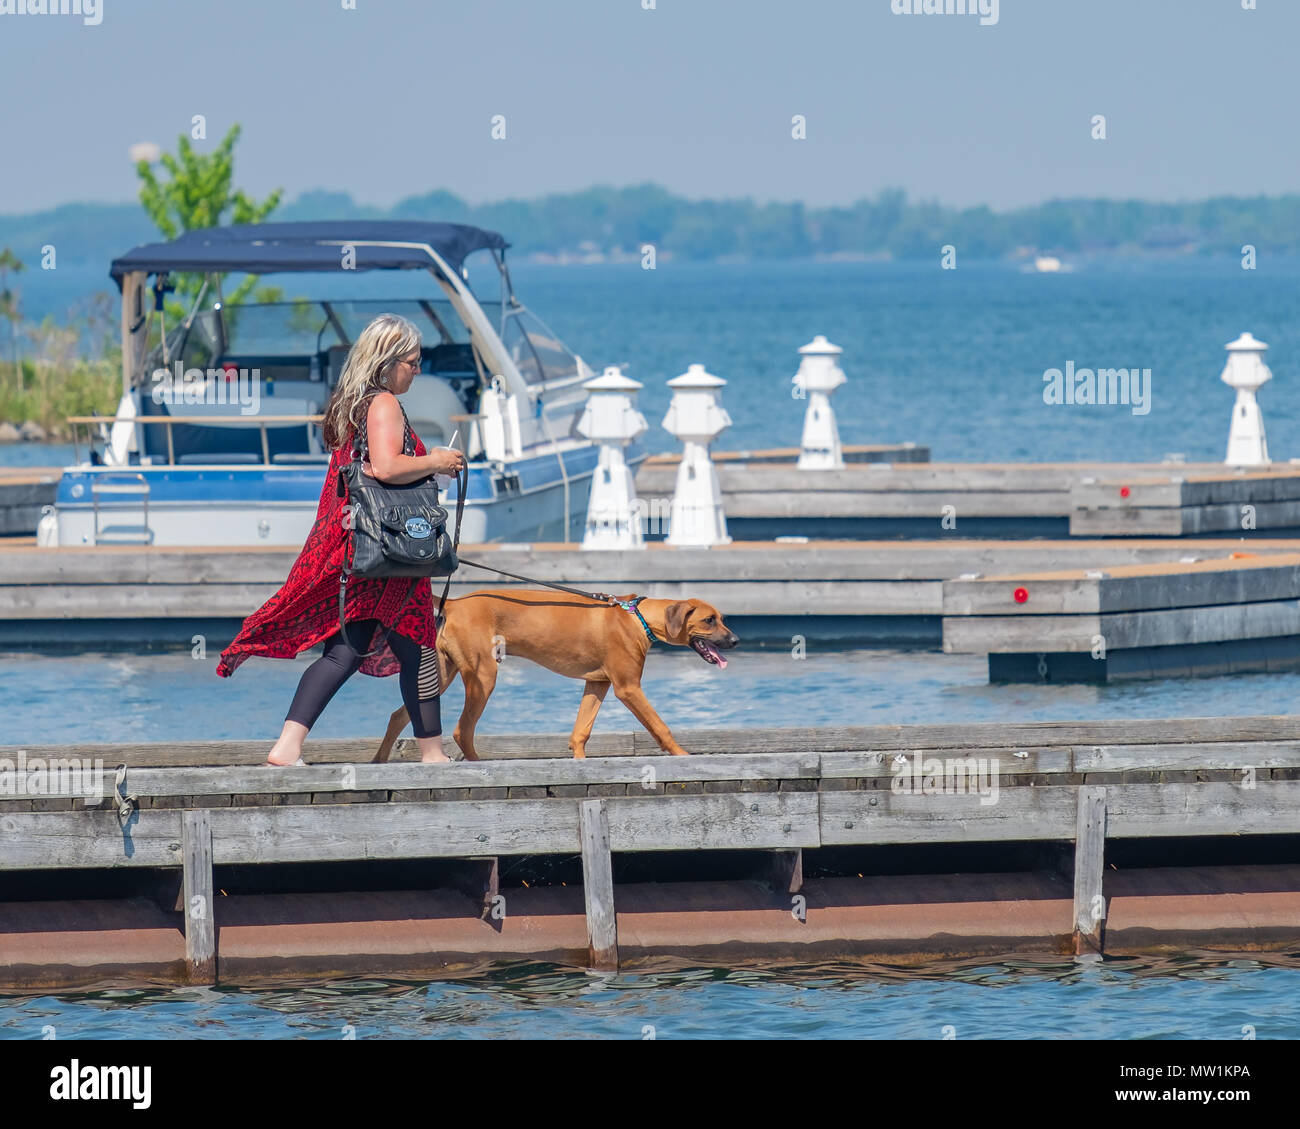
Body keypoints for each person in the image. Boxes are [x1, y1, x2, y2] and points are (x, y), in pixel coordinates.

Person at [216, 313, 467, 765]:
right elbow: (388, 468)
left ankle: (292, 746)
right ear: (389, 363)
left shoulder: (350, 402)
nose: (418, 369)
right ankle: (430, 754)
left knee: (367, 649)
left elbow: (370, 468)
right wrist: (436, 461)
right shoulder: (384, 402)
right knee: (405, 646)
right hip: (387, 550)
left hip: (362, 544)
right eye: (413, 361)